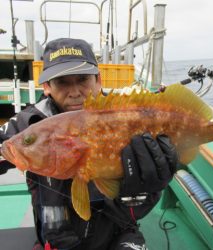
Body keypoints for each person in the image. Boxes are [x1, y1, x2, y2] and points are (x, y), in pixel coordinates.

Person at [0, 38, 178, 250]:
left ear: (98, 80)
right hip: (56, 241)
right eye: (62, 82)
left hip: (119, 234)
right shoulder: (29, 123)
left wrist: (149, 186)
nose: (74, 92)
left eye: (83, 79)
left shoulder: (126, 115)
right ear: (46, 86)